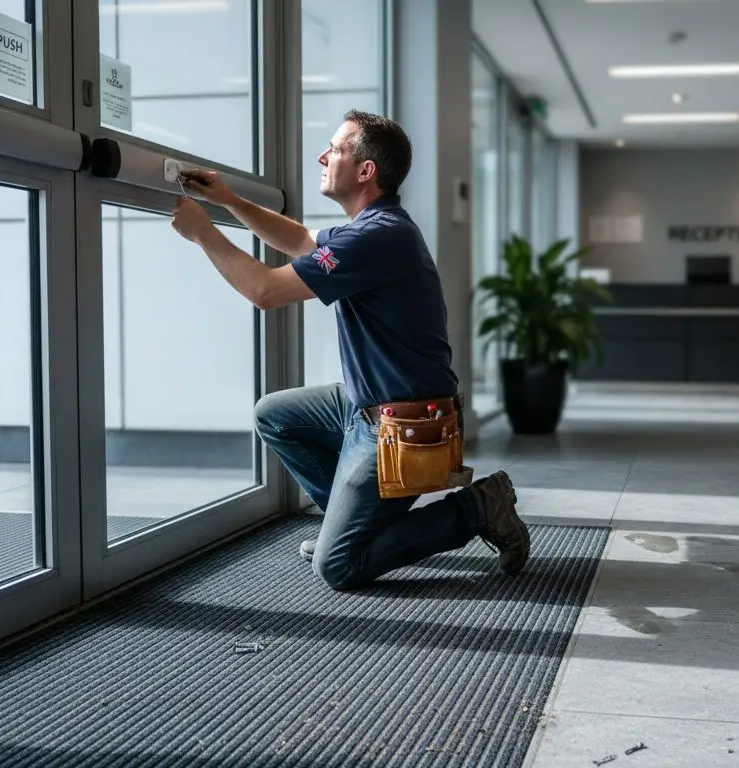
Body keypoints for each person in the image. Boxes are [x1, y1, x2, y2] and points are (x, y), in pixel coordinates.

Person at [168, 109, 529, 591]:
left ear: (366, 170)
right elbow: (297, 238)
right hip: (365, 405)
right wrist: (229, 201)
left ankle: (480, 506)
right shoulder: (376, 226)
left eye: (335, 148)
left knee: (338, 568)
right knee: (275, 415)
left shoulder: (377, 236)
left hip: (406, 424)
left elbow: (265, 292)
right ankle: (357, 525)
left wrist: (203, 233)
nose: (322, 155)